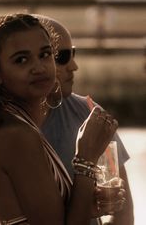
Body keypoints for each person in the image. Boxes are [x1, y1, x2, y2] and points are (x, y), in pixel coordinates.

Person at [0, 13, 120, 225]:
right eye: (22, 60)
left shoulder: (10, 123)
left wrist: (83, 206)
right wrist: (86, 159)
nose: (39, 67)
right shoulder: (16, 135)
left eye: (45, 54)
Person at [36, 15, 134, 225]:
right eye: (61, 57)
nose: (74, 66)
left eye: (73, 53)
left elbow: (122, 211)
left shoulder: (90, 114)